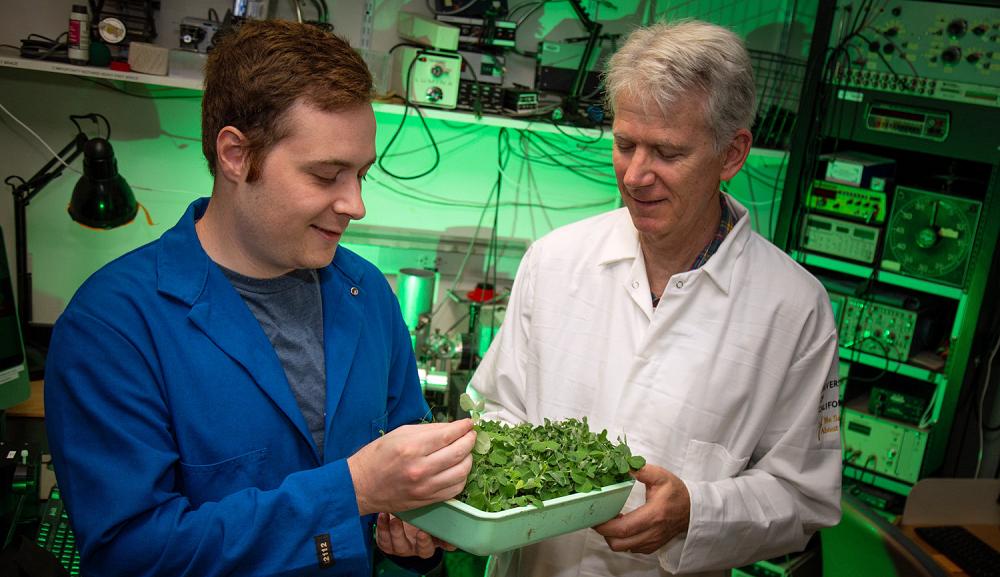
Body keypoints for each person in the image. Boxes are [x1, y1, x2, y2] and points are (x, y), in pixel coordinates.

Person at [44, 20, 475, 576]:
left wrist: (421, 526)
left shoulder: (366, 294)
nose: (356, 204)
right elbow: (130, 555)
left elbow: (408, 482)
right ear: (235, 155)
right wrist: (351, 492)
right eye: (326, 176)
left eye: (362, 175)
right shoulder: (113, 325)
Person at [469, 20, 842, 577]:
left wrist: (697, 512)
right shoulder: (556, 261)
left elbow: (803, 495)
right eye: (624, 144)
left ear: (732, 153)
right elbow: (494, 411)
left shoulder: (793, 309)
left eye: (667, 152)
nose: (636, 175)